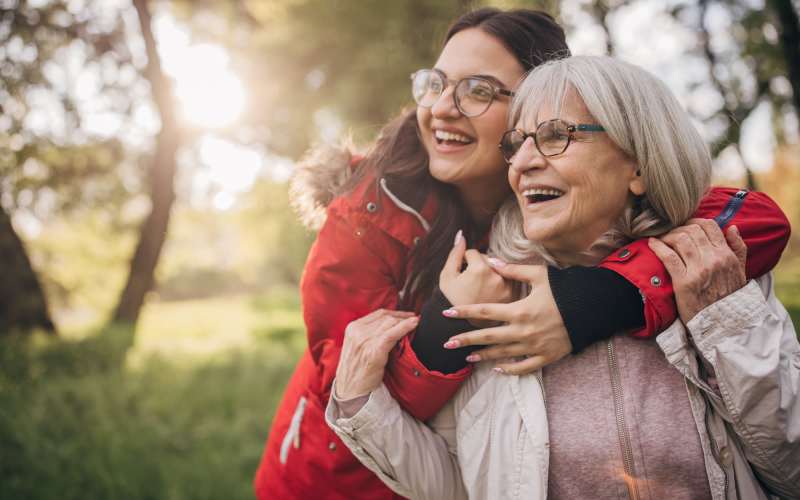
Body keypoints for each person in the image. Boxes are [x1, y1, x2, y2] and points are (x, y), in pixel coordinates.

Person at [255, 9, 790, 499]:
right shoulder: (371, 215)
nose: (444, 107)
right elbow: (353, 395)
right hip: (329, 476)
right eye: (436, 84)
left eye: (480, 91)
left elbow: (752, 218)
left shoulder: (568, 217)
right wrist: (447, 325)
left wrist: (600, 297)